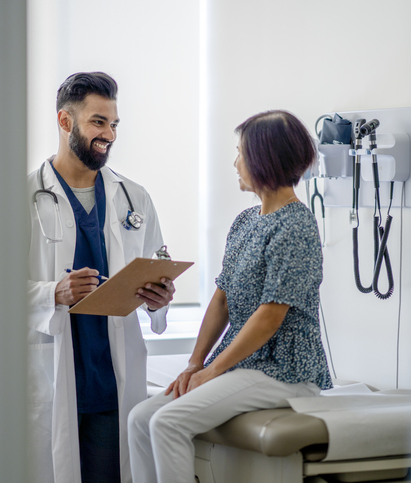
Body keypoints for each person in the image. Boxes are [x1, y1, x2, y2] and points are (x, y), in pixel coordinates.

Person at [127, 110, 333, 483]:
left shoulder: (297, 226)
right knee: (141, 418)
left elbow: (270, 315)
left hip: (285, 369)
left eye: (240, 152)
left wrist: (214, 371)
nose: (235, 162)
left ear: (263, 159)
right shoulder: (245, 221)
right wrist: (195, 363)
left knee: (168, 422)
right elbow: (221, 300)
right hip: (245, 363)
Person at [27, 72, 175, 483]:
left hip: (111, 380)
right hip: (53, 375)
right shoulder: (22, 198)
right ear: (64, 122)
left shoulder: (134, 197)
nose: (108, 133)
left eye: (114, 124)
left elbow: (155, 265)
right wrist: (51, 293)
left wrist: (158, 298)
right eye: (98, 122)